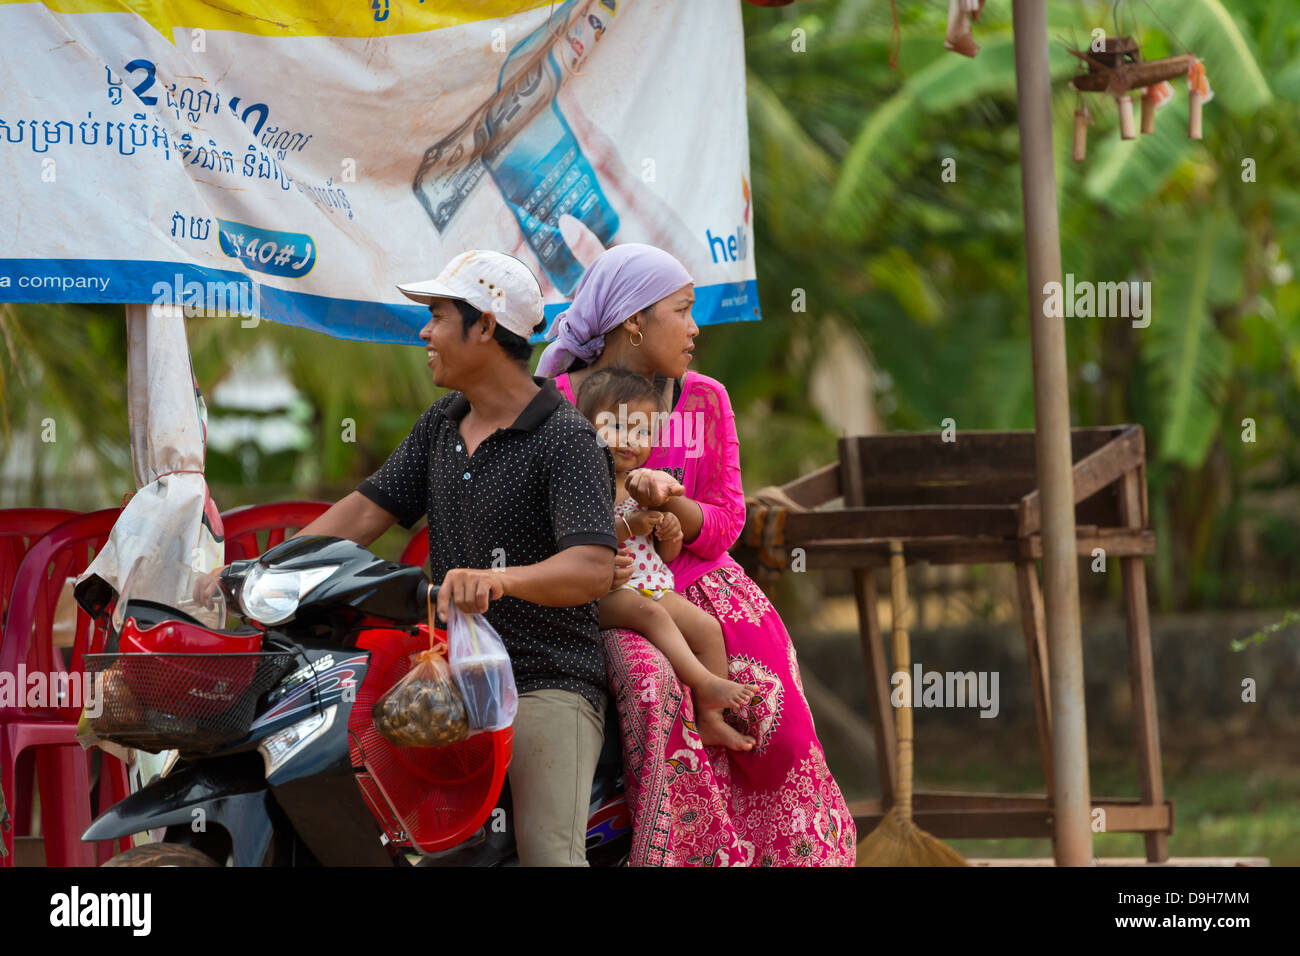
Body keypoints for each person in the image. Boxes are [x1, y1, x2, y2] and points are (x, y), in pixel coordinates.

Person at [250, 250, 623, 866]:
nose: (424, 331)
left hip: (543, 679)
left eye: (438, 315)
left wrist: (498, 580)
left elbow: (591, 568)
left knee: (550, 856)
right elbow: (362, 514)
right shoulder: (441, 425)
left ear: (484, 326)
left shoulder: (566, 438)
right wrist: (265, 571)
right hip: (444, 673)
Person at [537, 243, 857, 866]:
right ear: (634, 320)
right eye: (682, 310)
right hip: (606, 590)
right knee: (659, 694)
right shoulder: (557, 401)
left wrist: (671, 505)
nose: (695, 327)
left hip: (707, 583)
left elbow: (728, 520)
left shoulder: (704, 398)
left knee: (772, 712)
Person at [575, 368, 758, 751]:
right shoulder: (585, 481)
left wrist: (670, 533)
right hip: (602, 593)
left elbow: (663, 554)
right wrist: (628, 524)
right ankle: (703, 681)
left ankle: (709, 718)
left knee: (707, 628)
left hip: (651, 583)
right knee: (650, 614)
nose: (632, 441)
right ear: (585, 425)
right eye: (620, 427)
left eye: (643, 433)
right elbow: (584, 538)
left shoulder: (647, 482)